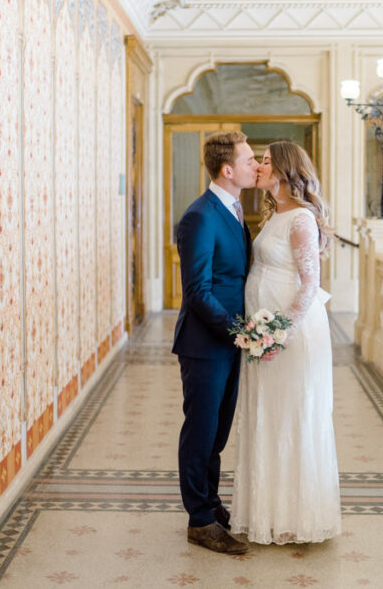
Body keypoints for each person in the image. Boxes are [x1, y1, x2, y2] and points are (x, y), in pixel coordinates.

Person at [230, 140, 341, 545]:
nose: (259, 167)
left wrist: (281, 333)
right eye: (258, 161)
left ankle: (298, 516)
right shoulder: (273, 214)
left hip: (290, 336)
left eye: (265, 162)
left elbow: (310, 284)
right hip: (265, 333)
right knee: (266, 416)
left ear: (284, 171)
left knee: (293, 416)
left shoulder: (301, 220)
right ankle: (267, 512)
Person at [172, 130, 258, 555]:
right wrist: (236, 330)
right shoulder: (200, 216)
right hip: (206, 343)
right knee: (201, 432)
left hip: (230, 341)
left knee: (219, 431)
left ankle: (211, 501)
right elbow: (197, 290)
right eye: (248, 160)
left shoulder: (235, 209)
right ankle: (199, 520)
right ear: (228, 169)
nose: (255, 166)